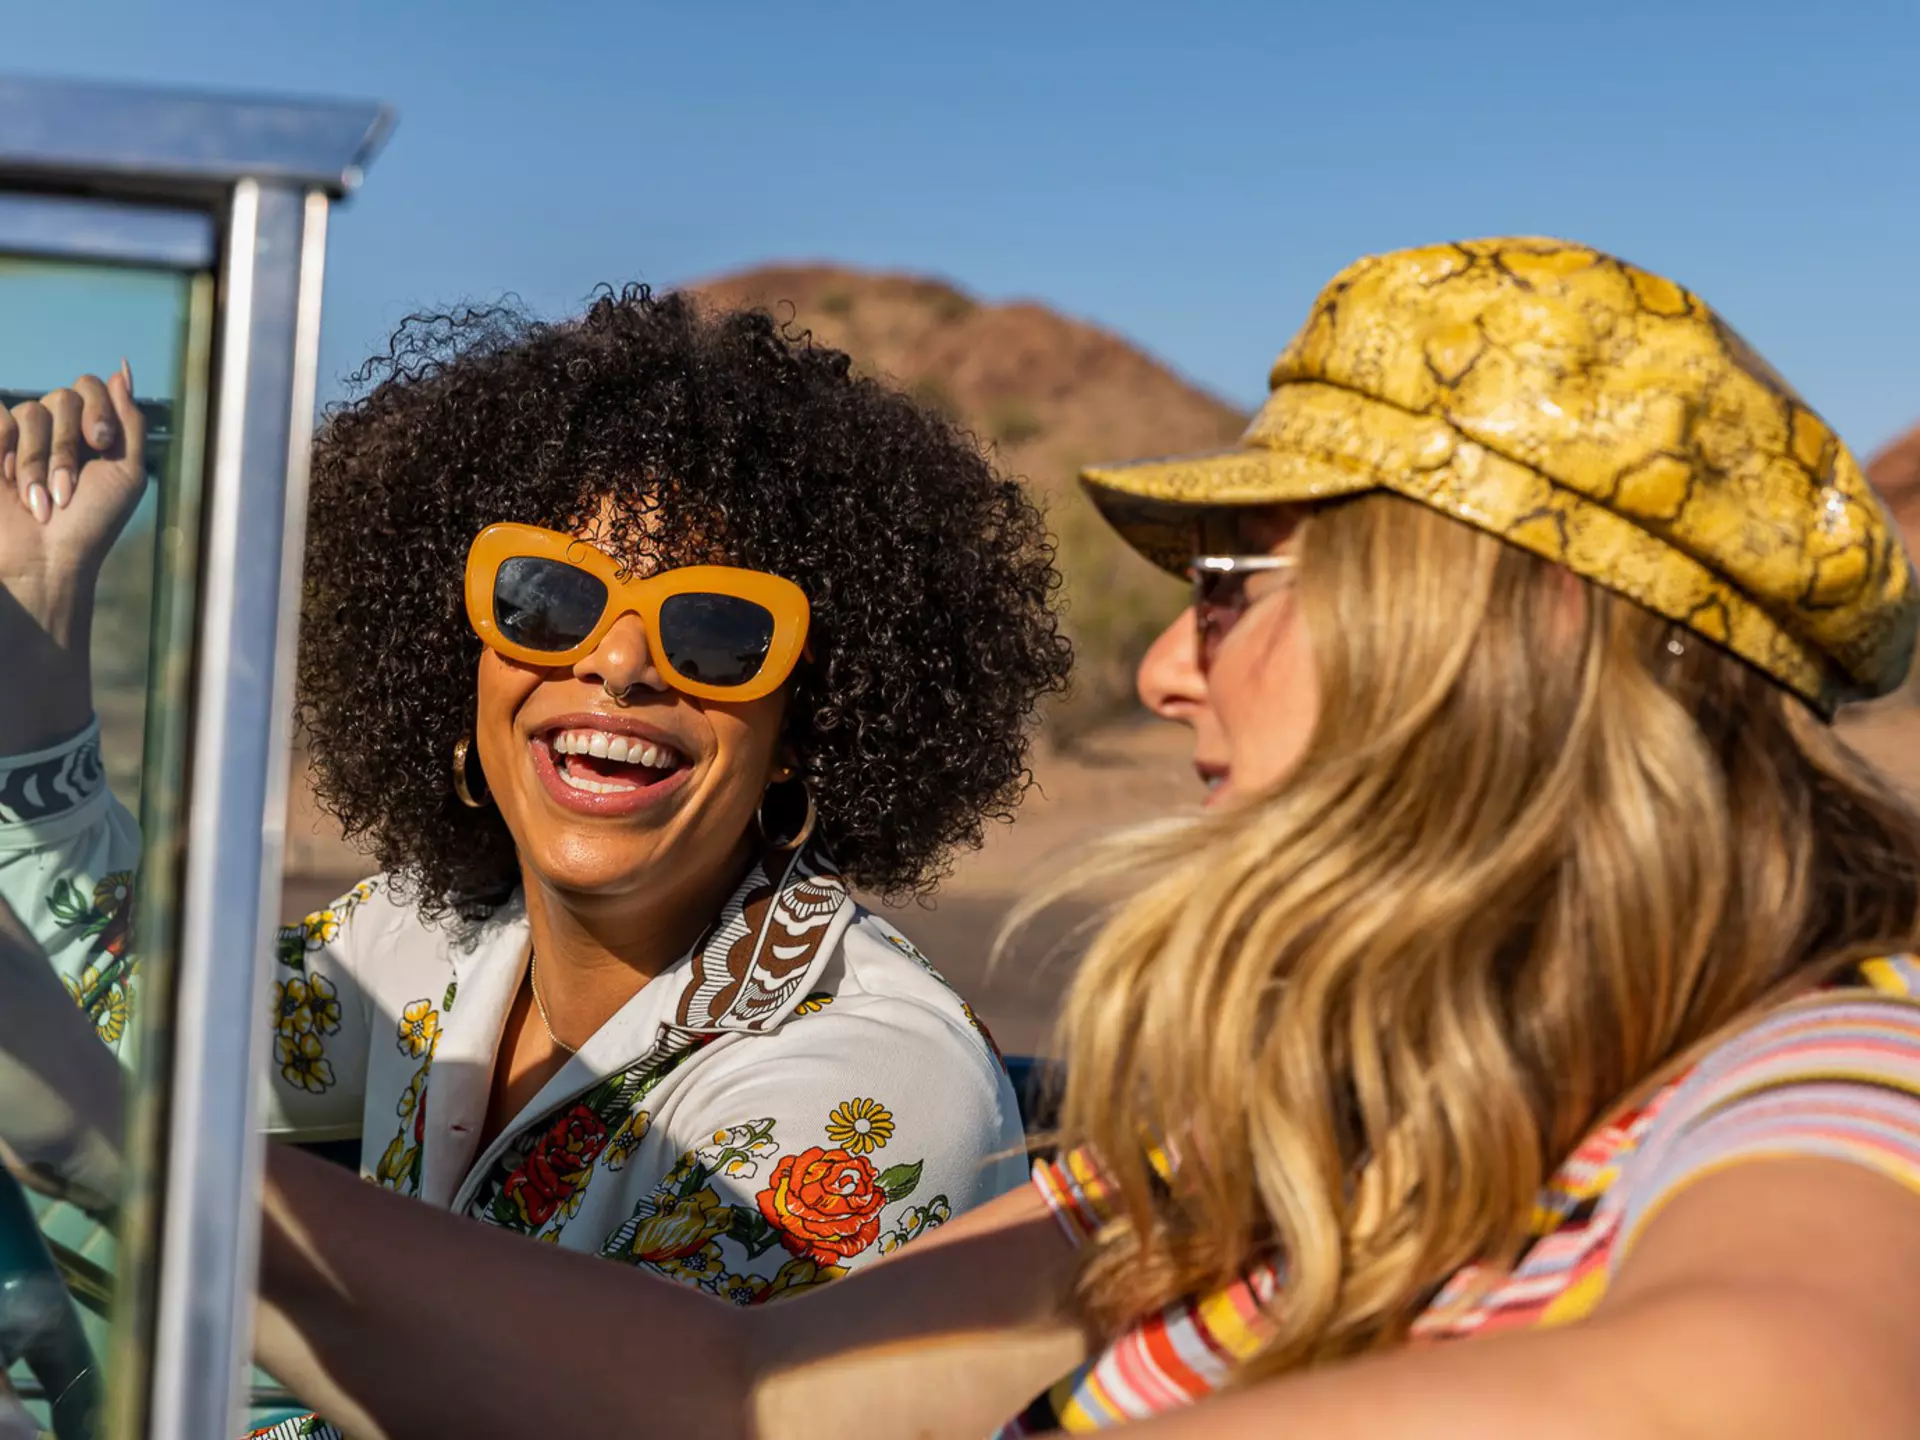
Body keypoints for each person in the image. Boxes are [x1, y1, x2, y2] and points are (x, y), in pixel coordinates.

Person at [54, 239, 1920, 1437]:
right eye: (539, 602)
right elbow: (740, 1402)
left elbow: (1796, 1382)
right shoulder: (1327, 1129)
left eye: (1239, 584)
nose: (1176, 670)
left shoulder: (1828, 1073)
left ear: (1515, 629)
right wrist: (134, 1156)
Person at [0, 288, 1075, 1316]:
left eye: (715, 631)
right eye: (546, 599)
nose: (618, 663)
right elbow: (124, 1021)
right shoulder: (432, 939)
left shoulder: (869, 1080)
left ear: (802, 727)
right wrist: (44, 603)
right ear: (463, 657)